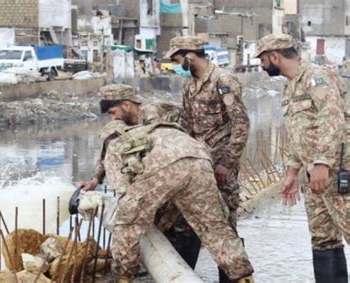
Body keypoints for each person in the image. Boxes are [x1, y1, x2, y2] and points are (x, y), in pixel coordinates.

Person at [97, 92, 254, 282]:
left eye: (112, 112)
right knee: (215, 227)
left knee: (127, 222)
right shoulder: (150, 129)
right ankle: (243, 277)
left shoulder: (115, 145)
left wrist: (134, 212)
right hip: (199, 156)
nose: (113, 116)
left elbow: (124, 193)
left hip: (168, 164)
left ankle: (123, 278)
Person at [255, 33, 349, 283]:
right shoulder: (290, 86)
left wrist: (322, 163)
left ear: (275, 56)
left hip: (337, 169)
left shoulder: (317, 77)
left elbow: (331, 119)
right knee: (322, 237)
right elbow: (299, 132)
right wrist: (291, 173)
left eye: (264, 60)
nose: (262, 66)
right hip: (313, 174)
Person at [79, 84, 202, 268]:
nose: (114, 119)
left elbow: (160, 155)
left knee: (182, 221)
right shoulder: (126, 123)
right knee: (155, 219)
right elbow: (109, 150)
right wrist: (95, 180)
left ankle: (185, 269)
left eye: (113, 113)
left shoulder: (153, 115)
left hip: (185, 165)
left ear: (126, 105)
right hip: (160, 172)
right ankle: (162, 264)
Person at [164, 35, 250, 281]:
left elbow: (241, 124)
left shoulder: (223, 81)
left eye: (178, 59)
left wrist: (228, 164)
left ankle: (233, 278)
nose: (177, 65)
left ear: (190, 56)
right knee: (186, 221)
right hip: (197, 165)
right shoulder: (189, 84)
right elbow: (188, 125)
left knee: (224, 225)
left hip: (221, 165)